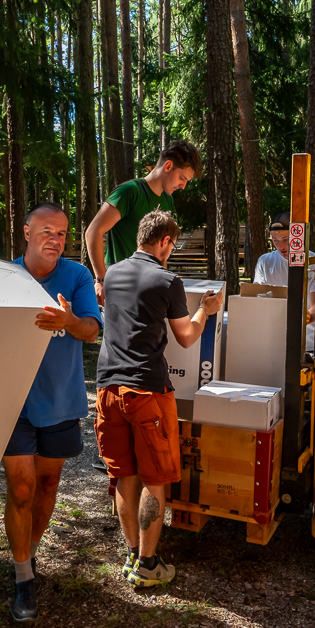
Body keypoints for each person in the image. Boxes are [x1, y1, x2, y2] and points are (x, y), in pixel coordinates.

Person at [95, 210, 224, 587]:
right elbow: (186, 337)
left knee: (124, 476)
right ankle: (148, 565)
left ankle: (132, 554)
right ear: (165, 241)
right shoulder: (168, 280)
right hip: (147, 390)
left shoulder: (112, 273)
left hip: (107, 389)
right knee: (154, 479)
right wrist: (205, 310)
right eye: (173, 245)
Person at [3, 203, 102, 622]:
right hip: (12, 402)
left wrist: (69, 320)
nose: (55, 240)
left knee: (46, 485)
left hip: (61, 400)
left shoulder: (76, 276)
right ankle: (23, 579)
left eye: (61, 233)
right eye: (46, 231)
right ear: (27, 232)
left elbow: (92, 330)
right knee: (21, 488)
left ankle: (30, 553)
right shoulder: (3, 276)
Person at [86, 141, 202, 306]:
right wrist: (100, 279)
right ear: (168, 166)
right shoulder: (129, 192)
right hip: (122, 289)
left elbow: (163, 250)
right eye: (182, 178)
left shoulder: (168, 201)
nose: (183, 186)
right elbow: (93, 232)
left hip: (150, 291)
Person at [253, 213, 315, 351]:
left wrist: (306, 317)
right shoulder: (265, 261)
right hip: (273, 342)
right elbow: (257, 297)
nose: (280, 246)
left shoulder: (314, 262)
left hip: (307, 344)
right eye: (275, 240)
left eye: (285, 239)